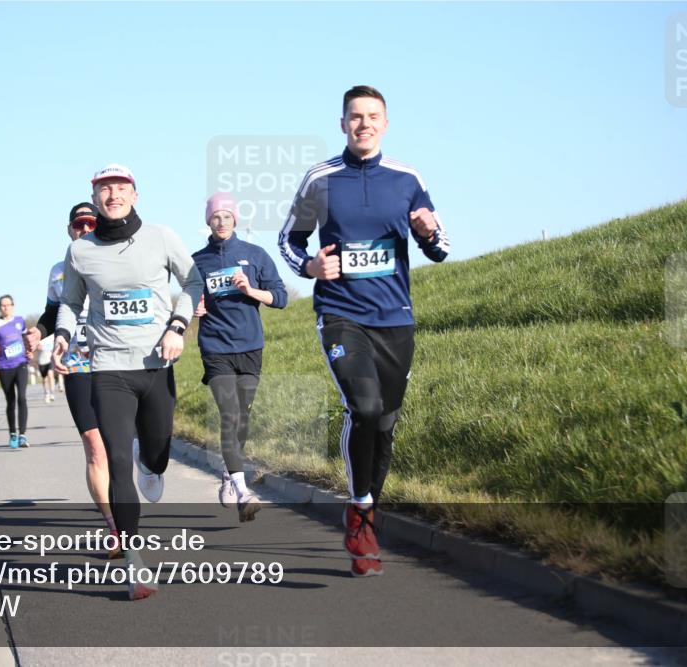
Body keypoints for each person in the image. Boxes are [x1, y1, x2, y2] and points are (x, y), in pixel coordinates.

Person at [278, 85, 450, 577]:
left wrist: (426, 233)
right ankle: (359, 509)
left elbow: (441, 246)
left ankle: (367, 507)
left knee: (387, 423)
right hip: (341, 315)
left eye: (373, 116)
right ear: (342, 124)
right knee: (365, 407)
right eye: (355, 116)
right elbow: (289, 240)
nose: (364, 124)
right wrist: (310, 267)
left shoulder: (407, 178)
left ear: (386, 123)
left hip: (395, 317)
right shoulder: (321, 179)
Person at [52, 164, 203, 600]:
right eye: (103, 189)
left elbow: (194, 280)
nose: (112, 194)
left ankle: (150, 462)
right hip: (109, 369)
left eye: (120, 188)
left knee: (154, 455)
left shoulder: (160, 237)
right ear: (95, 197)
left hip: (156, 364)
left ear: (134, 194)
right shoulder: (81, 252)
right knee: (115, 458)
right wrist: (62, 336)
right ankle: (136, 564)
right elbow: (70, 302)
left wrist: (177, 326)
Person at [27, 202, 120, 558]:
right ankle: (114, 527)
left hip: (115, 361)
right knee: (95, 449)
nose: (84, 230)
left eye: (91, 224)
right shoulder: (58, 271)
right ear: (70, 230)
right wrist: (39, 331)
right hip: (78, 364)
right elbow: (53, 311)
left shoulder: (115, 259)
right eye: (78, 226)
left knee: (120, 448)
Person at [192, 192, 287, 522]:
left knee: (242, 418)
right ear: (208, 221)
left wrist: (250, 291)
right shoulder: (197, 261)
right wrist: (194, 307)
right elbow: (186, 300)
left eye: (227, 216)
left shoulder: (255, 255)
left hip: (250, 346)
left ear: (236, 220)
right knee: (230, 415)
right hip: (215, 347)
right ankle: (243, 490)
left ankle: (230, 474)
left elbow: (280, 297)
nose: (221, 221)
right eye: (215, 216)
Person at [0, 295, 31, 449]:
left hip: (21, 364)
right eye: (3, 305)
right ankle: (13, 434)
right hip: (5, 366)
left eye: (8, 305)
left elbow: (26, 339)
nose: (6, 308)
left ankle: (23, 436)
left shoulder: (20, 321)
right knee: (11, 401)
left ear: (13, 306)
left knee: (22, 398)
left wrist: (30, 350)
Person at [37, 335, 56, 402]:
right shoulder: (40, 336)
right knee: (45, 379)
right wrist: (39, 347)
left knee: (50, 375)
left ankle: (52, 393)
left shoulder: (51, 336)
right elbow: (37, 347)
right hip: (42, 361)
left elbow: (55, 345)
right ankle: (46, 393)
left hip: (50, 360)